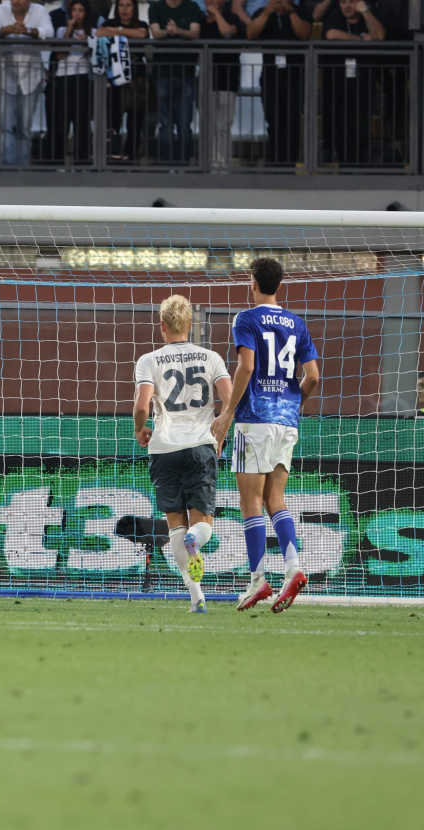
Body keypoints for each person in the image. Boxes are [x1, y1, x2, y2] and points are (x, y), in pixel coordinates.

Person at [210, 258, 320, 614]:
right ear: (280, 285)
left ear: (253, 283)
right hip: (287, 422)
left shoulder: (246, 319)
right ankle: (293, 567)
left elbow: (247, 366)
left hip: (255, 419)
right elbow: (313, 377)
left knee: (251, 503)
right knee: (276, 499)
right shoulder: (297, 323)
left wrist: (227, 413)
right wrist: (293, 404)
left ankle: (258, 578)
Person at [132, 295, 232, 613]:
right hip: (200, 445)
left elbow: (141, 406)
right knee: (202, 524)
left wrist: (140, 428)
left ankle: (196, 596)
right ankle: (196, 539)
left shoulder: (149, 360)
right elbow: (230, 399)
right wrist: (221, 428)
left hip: (164, 448)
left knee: (175, 525)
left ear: (162, 326)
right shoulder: (211, 358)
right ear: (190, 324)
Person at [243, 0, 311, 166]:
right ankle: (274, 162)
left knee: (292, 120)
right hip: (270, 75)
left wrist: (291, 12)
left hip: (294, 75)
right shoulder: (263, 12)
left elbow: (304, 34)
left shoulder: (299, 11)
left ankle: (290, 163)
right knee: (273, 119)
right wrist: (267, 12)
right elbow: (251, 33)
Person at [0, 0, 53, 167]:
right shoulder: (0, 9)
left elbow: (49, 31)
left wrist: (29, 31)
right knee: (6, 125)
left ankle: (22, 167)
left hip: (31, 76)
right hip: (5, 76)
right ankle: (7, 167)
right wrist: (7, 29)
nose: (16, 1)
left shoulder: (39, 10)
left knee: (24, 127)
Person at [322, 0, 386, 166]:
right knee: (339, 123)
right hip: (337, 81)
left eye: (351, 2)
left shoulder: (368, 15)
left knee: (360, 123)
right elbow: (332, 34)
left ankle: (359, 163)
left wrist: (365, 12)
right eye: (343, 2)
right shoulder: (335, 16)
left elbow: (379, 35)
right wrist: (361, 40)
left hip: (363, 80)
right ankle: (342, 161)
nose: (347, 6)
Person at [148, 0, 202, 164]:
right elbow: (156, 33)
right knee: (165, 123)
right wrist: (169, 31)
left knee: (184, 123)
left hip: (186, 72)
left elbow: (195, 33)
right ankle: (167, 162)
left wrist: (177, 30)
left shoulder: (192, 7)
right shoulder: (156, 7)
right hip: (162, 72)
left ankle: (183, 162)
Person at [96, 0, 149, 162]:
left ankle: (131, 156)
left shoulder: (141, 24)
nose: (124, 9)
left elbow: (142, 34)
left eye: (128, 5)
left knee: (135, 120)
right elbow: (100, 33)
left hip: (136, 79)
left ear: (134, 8)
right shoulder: (108, 22)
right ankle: (113, 154)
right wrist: (123, 32)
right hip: (114, 78)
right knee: (113, 119)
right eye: (121, 5)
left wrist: (116, 31)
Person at [201, 0, 245, 172]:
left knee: (224, 125)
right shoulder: (201, 21)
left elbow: (227, 32)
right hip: (207, 79)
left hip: (228, 80)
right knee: (209, 124)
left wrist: (217, 14)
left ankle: (223, 163)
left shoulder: (232, 18)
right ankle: (209, 162)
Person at [46, 0, 92, 164]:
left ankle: (82, 160)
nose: (77, 14)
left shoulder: (92, 32)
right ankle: (57, 159)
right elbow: (60, 54)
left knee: (82, 120)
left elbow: (93, 56)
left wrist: (87, 41)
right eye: (74, 10)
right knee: (61, 120)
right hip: (63, 77)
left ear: (86, 13)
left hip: (82, 77)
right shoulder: (61, 30)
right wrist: (69, 30)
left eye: (81, 10)